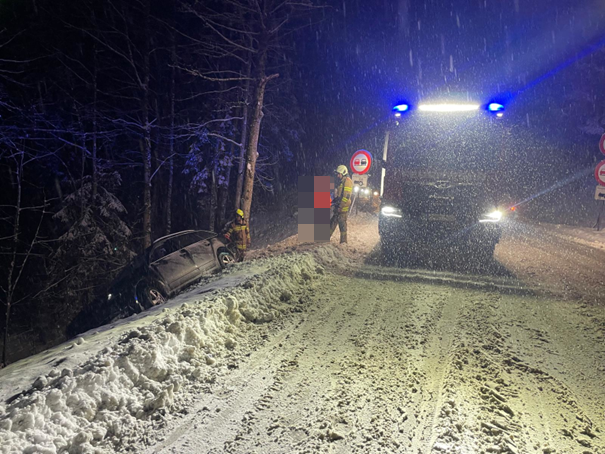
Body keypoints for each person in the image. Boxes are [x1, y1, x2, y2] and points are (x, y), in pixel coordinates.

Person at [330, 165, 353, 243]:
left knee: (342, 224)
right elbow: (340, 194)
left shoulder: (347, 181)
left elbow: (346, 196)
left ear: (343, 173)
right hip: (339, 205)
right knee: (333, 222)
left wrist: (340, 206)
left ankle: (343, 241)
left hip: (343, 207)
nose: (338, 175)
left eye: (339, 174)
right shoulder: (343, 181)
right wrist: (335, 201)